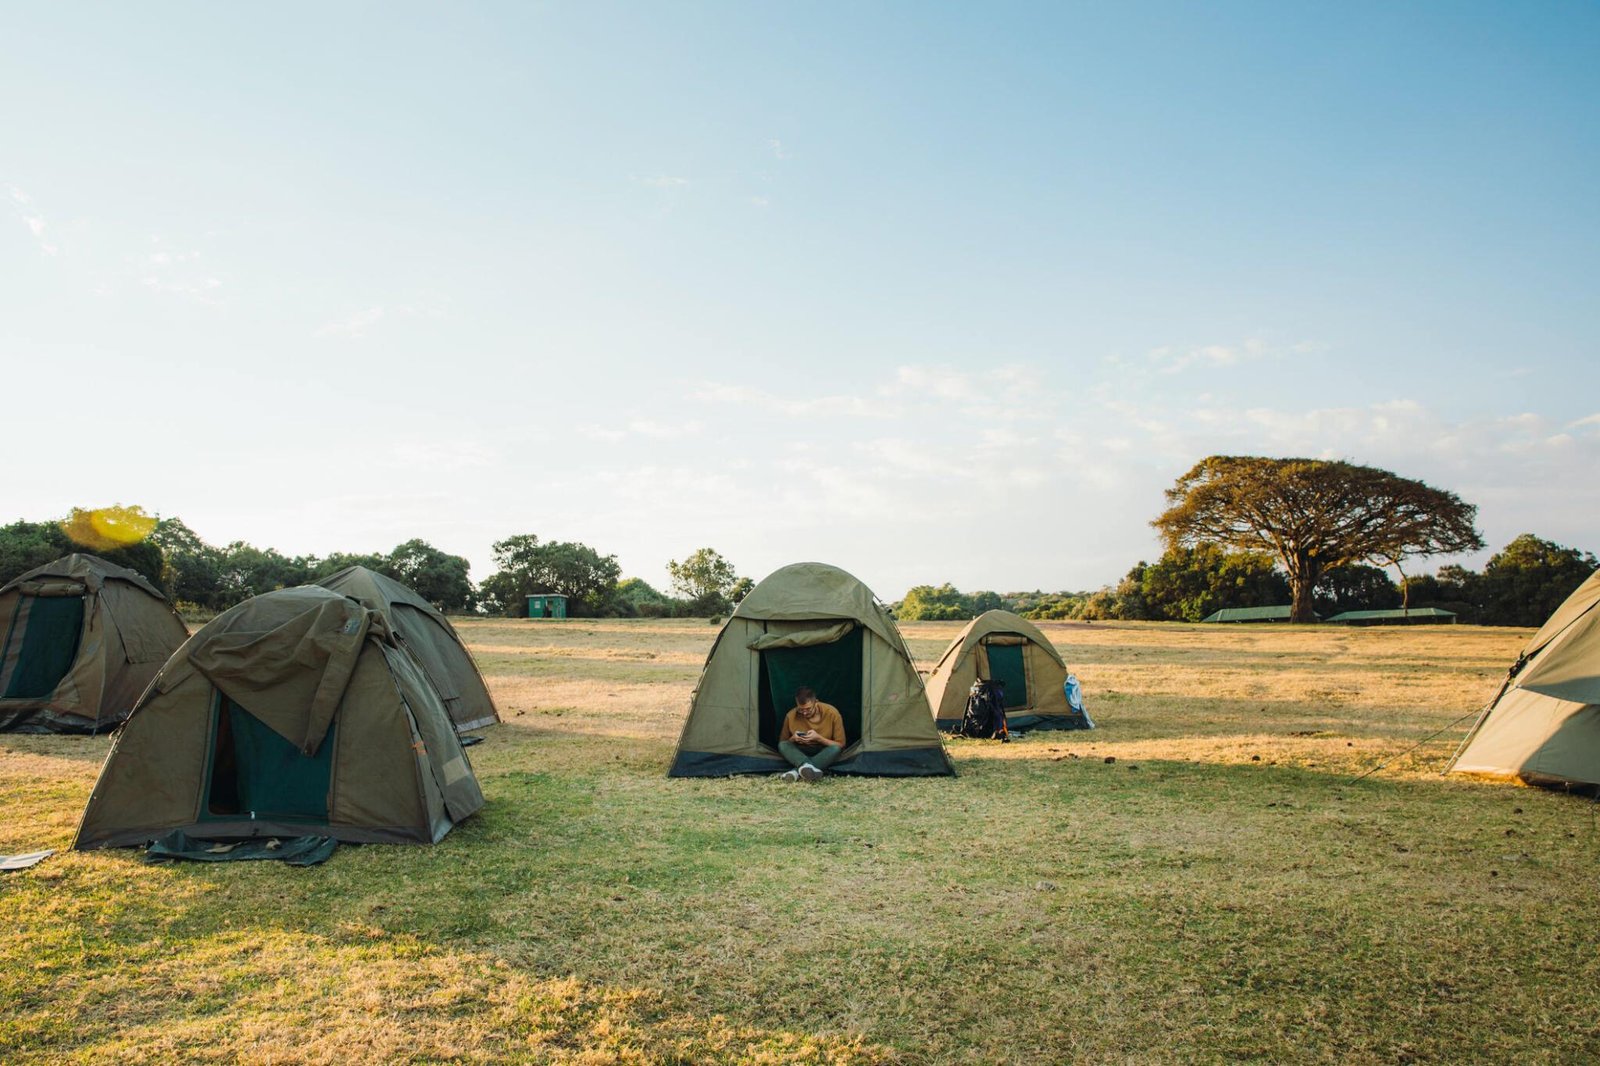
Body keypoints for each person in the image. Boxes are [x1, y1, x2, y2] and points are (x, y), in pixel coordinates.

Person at [777, 685, 845, 782]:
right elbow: (783, 743)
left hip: (823, 751)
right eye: (801, 709)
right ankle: (808, 767)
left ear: (816, 703)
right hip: (799, 753)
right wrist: (793, 739)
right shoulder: (791, 716)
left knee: (835, 749)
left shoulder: (832, 713)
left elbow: (841, 744)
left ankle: (795, 772)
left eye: (808, 709)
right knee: (782, 745)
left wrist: (819, 738)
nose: (804, 713)